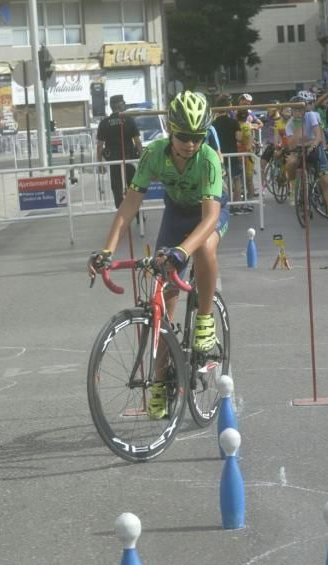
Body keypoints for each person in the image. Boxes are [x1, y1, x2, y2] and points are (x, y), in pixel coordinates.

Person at [89, 91, 229, 417]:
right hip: (176, 213)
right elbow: (129, 205)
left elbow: (209, 219)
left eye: (197, 136)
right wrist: (107, 250)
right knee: (161, 305)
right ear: (170, 128)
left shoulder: (208, 158)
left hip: (208, 212)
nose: (191, 143)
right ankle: (161, 382)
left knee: (205, 246)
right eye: (184, 136)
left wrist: (182, 251)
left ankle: (205, 321)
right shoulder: (153, 154)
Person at [285, 95, 328, 226]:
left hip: (314, 146)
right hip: (299, 149)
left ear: (305, 110)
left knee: (324, 179)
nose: (298, 112)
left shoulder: (311, 116)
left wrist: (313, 146)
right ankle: (293, 188)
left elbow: (318, 135)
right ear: (292, 111)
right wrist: (298, 127)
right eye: (295, 110)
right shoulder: (290, 123)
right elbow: (291, 146)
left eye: (300, 109)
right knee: (291, 162)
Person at [96, 95, 143, 217]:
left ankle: (122, 216)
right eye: (123, 103)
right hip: (129, 160)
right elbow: (137, 141)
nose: (124, 105)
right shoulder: (129, 120)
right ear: (119, 105)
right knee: (133, 187)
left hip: (114, 162)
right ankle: (138, 215)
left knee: (117, 189)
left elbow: (100, 146)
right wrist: (143, 158)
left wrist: (99, 163)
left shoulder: (104, 123)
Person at [236, 109, 255, 212]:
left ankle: (249, 202)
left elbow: (248, 140)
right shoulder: (246, 126)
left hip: (246, 157)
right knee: (247, 180)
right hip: (243, 156)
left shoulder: (245, 127)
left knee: (247, 180)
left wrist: (247, 147)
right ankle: (248, 202)